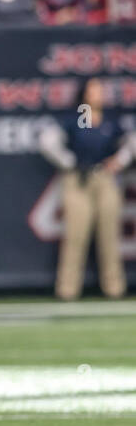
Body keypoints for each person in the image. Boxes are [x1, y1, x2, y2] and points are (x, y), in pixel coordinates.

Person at [39, 78, 133, 299]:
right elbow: (48, 142)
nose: (99, 94)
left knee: (109, 236)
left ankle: (114, 289)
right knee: (76, 236)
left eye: (101, 90)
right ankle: (67, 290)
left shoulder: (111, 120)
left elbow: (131, 143)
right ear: (84, 94)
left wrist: (119, 161)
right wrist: (69, 162)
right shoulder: (78, 118)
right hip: (79, 180)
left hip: (105, 179)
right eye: (94, 90)